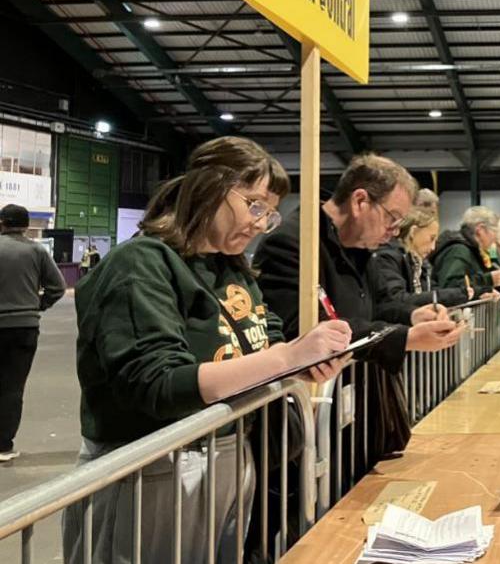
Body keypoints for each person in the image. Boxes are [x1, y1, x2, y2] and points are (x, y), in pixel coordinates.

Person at [62, 137, 351, 564]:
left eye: (269, 214)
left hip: (226, 457)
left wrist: (301, 364)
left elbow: (263, 339)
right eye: (253, 204)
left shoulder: (231, 268)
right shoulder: (142, 263)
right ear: (209, 187)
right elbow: (158, 384)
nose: (259, 222)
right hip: (152, 467)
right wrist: (286, 359)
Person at [255, 154, 464, 457]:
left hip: (360, 417)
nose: (395, 231)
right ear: (360, 201)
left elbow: (381, 304)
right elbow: (306, 329)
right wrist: (404, 338)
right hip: (315, 423)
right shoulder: (295, 242)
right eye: (392, 218)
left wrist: (415, 315)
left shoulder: (362, 244)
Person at [0, 204, 65, 462]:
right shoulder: (37, 251)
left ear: (2, 223)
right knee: (12, 388)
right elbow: (58, 287)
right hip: (24, 327)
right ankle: (3, 446)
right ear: (26, 226)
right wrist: (38, 305)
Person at [369, 205, 485, 311]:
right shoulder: (388, 257)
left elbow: (433, 291)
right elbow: (398, 299)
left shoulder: (419, 264)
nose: (433, 247)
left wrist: (478, 292)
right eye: (431, 238)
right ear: (414, 232)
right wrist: (459, 294)